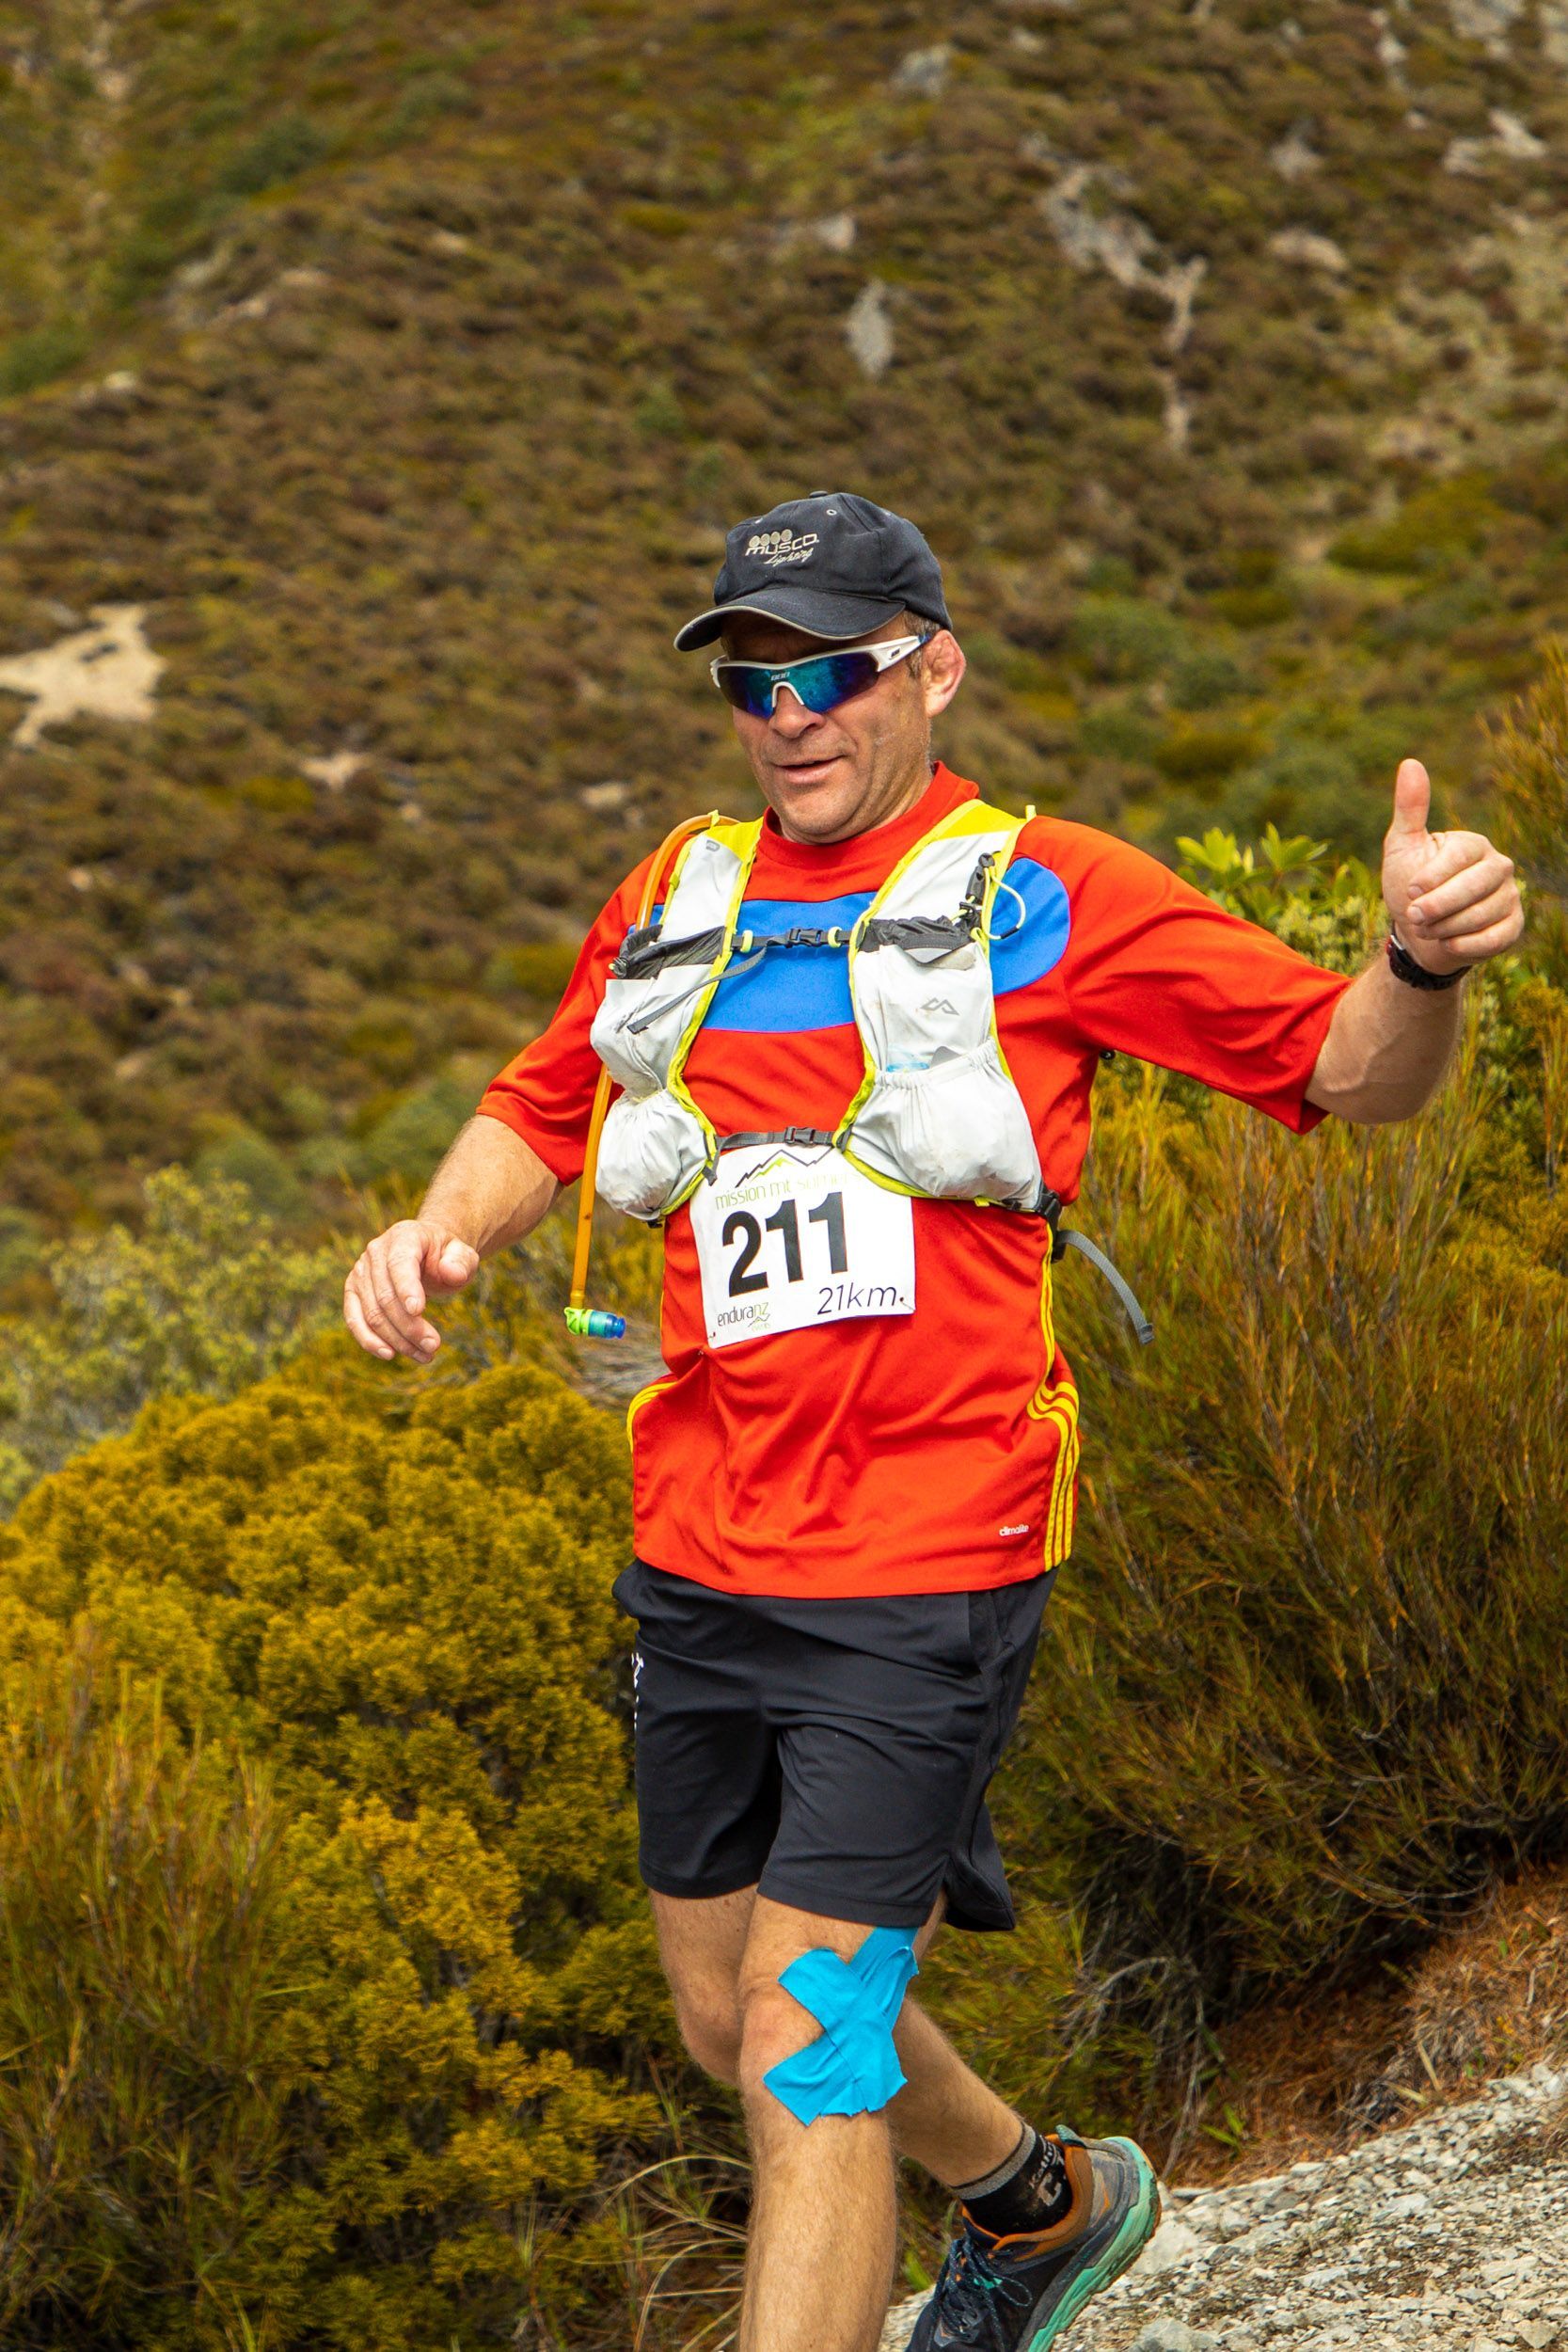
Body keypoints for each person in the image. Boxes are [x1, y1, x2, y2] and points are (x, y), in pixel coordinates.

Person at [343, 493, 1524, 2352]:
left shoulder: (1047, 887)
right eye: (754, 675)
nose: (790, 712)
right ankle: (1037, 2204)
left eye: (830, 669)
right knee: (728, 2007)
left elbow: (1347, 1070)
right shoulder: (677, 893)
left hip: (930, 1543)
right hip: (699, 1534)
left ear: (935, 664)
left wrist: (1428, 961)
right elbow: (542, 1098)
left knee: (805, 2035)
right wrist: (440, 1232)